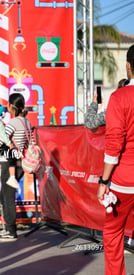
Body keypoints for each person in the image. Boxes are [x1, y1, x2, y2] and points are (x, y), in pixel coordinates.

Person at [97, 44, 134, 275]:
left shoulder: (120, 97)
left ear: (128, 66)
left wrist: (103, 181)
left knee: (112, 233)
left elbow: (114, 144)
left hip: (124, 181)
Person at [0, 93, 33, 242]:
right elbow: (30, 142)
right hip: (20, 164)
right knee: (5, 195)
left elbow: (3, 139)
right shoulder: (26, 122)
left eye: (8, 106)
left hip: (9, 163)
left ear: (11, 107)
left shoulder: (13, 123)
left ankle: (10, 230)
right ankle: (8, 228)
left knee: (7, 198)